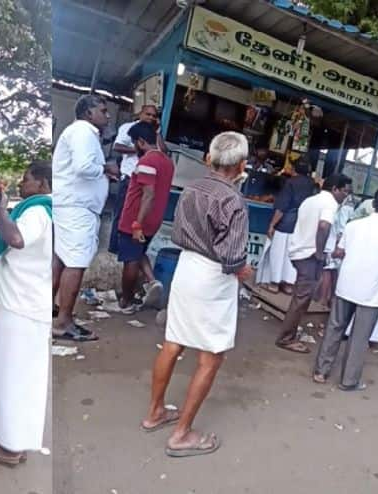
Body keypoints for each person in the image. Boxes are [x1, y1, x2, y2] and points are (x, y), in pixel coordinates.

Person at [141, 132, 252, 458]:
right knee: (211, 354)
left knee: (174, 340)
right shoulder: (234, 202)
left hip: (186, 268)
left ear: (209, 158)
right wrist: (247, 272)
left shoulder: (192, 187)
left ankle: (155, 412)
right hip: (212, 278)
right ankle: (181, 434)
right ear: (242, 165)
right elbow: (233, 260)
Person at [0, 161, 52, 466]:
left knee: (10, 378)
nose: (21, 183)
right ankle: (15, 442)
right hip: (28, 306)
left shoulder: (38, 211)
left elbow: (16, 239)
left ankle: (8, 449)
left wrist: (2, 209)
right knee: (21, 379)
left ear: (42, 184)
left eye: (26, 179)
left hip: (22, 309)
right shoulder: (48, 212)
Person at [313, 186, 378, 391]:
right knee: (359, 337)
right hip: (370, 293)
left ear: (373, 203)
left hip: (345, 285)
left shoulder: (354, 225)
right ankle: (348, 381)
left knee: (334, 328)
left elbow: (339, 251)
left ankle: (321, 371)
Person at [52, 94, 119, 342]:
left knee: (61, 260)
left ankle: (51, 313)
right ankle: (64, 322)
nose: (108, 115)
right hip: (77, 208)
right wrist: (106, 169)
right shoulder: (83, 131)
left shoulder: (80, 133)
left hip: (72, 205)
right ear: (89, 113)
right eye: (103, 110)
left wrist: (102, 174)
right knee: (76, 263)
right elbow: (83, 167)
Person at [276, 174, 353, 354]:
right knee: (301, 299)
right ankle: (286, 339)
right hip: (310, 255)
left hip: (299, 251)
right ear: (335, 189)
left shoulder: (310, 200)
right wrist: (319, 252)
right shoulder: (330, 203)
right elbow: (324, 226)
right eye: (345, 191)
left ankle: (289, 334)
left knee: (301, 297)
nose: (346, 196)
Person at [115, 121, 174, 313]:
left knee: (130, 260)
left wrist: (136, 223)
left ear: (140, 142)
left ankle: (126, 302)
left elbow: (148, 194)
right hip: (154, 219)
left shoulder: (147, 161)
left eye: (134, 143)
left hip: (137, 218)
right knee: (139, 252)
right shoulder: (167, 161)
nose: (134, 148)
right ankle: (152, 282)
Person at [109, 105, 165, 254]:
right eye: (148, 114)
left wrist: (157, 133)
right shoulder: (128, 127)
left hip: (147, 180)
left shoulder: (153, 133)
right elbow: (117, 146)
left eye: (154, 116)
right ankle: (114, 249)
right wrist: (138, 149)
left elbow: (163, 151)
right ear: (140, 113)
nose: (151, 118)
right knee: (121, 214)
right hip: (129, 177)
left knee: (137, 216)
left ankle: (128, 250)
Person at [256, 158, 315, 294]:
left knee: (277, 253)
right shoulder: (312, 184)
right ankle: (288, 285)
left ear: (294, 169)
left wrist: (272, 224)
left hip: (285, 223)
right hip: (301, 225)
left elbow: (282, 206)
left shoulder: (290, 183)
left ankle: (274, 283)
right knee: (292, 254)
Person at [317, 194, 356, 306]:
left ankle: (324, 299)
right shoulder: (348, 207)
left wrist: (338, 246)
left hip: (334, 244)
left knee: (327, 271)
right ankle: (331, 299)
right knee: (334, 272)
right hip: (338, 244)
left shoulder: (344, 208)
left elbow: (341, 229)